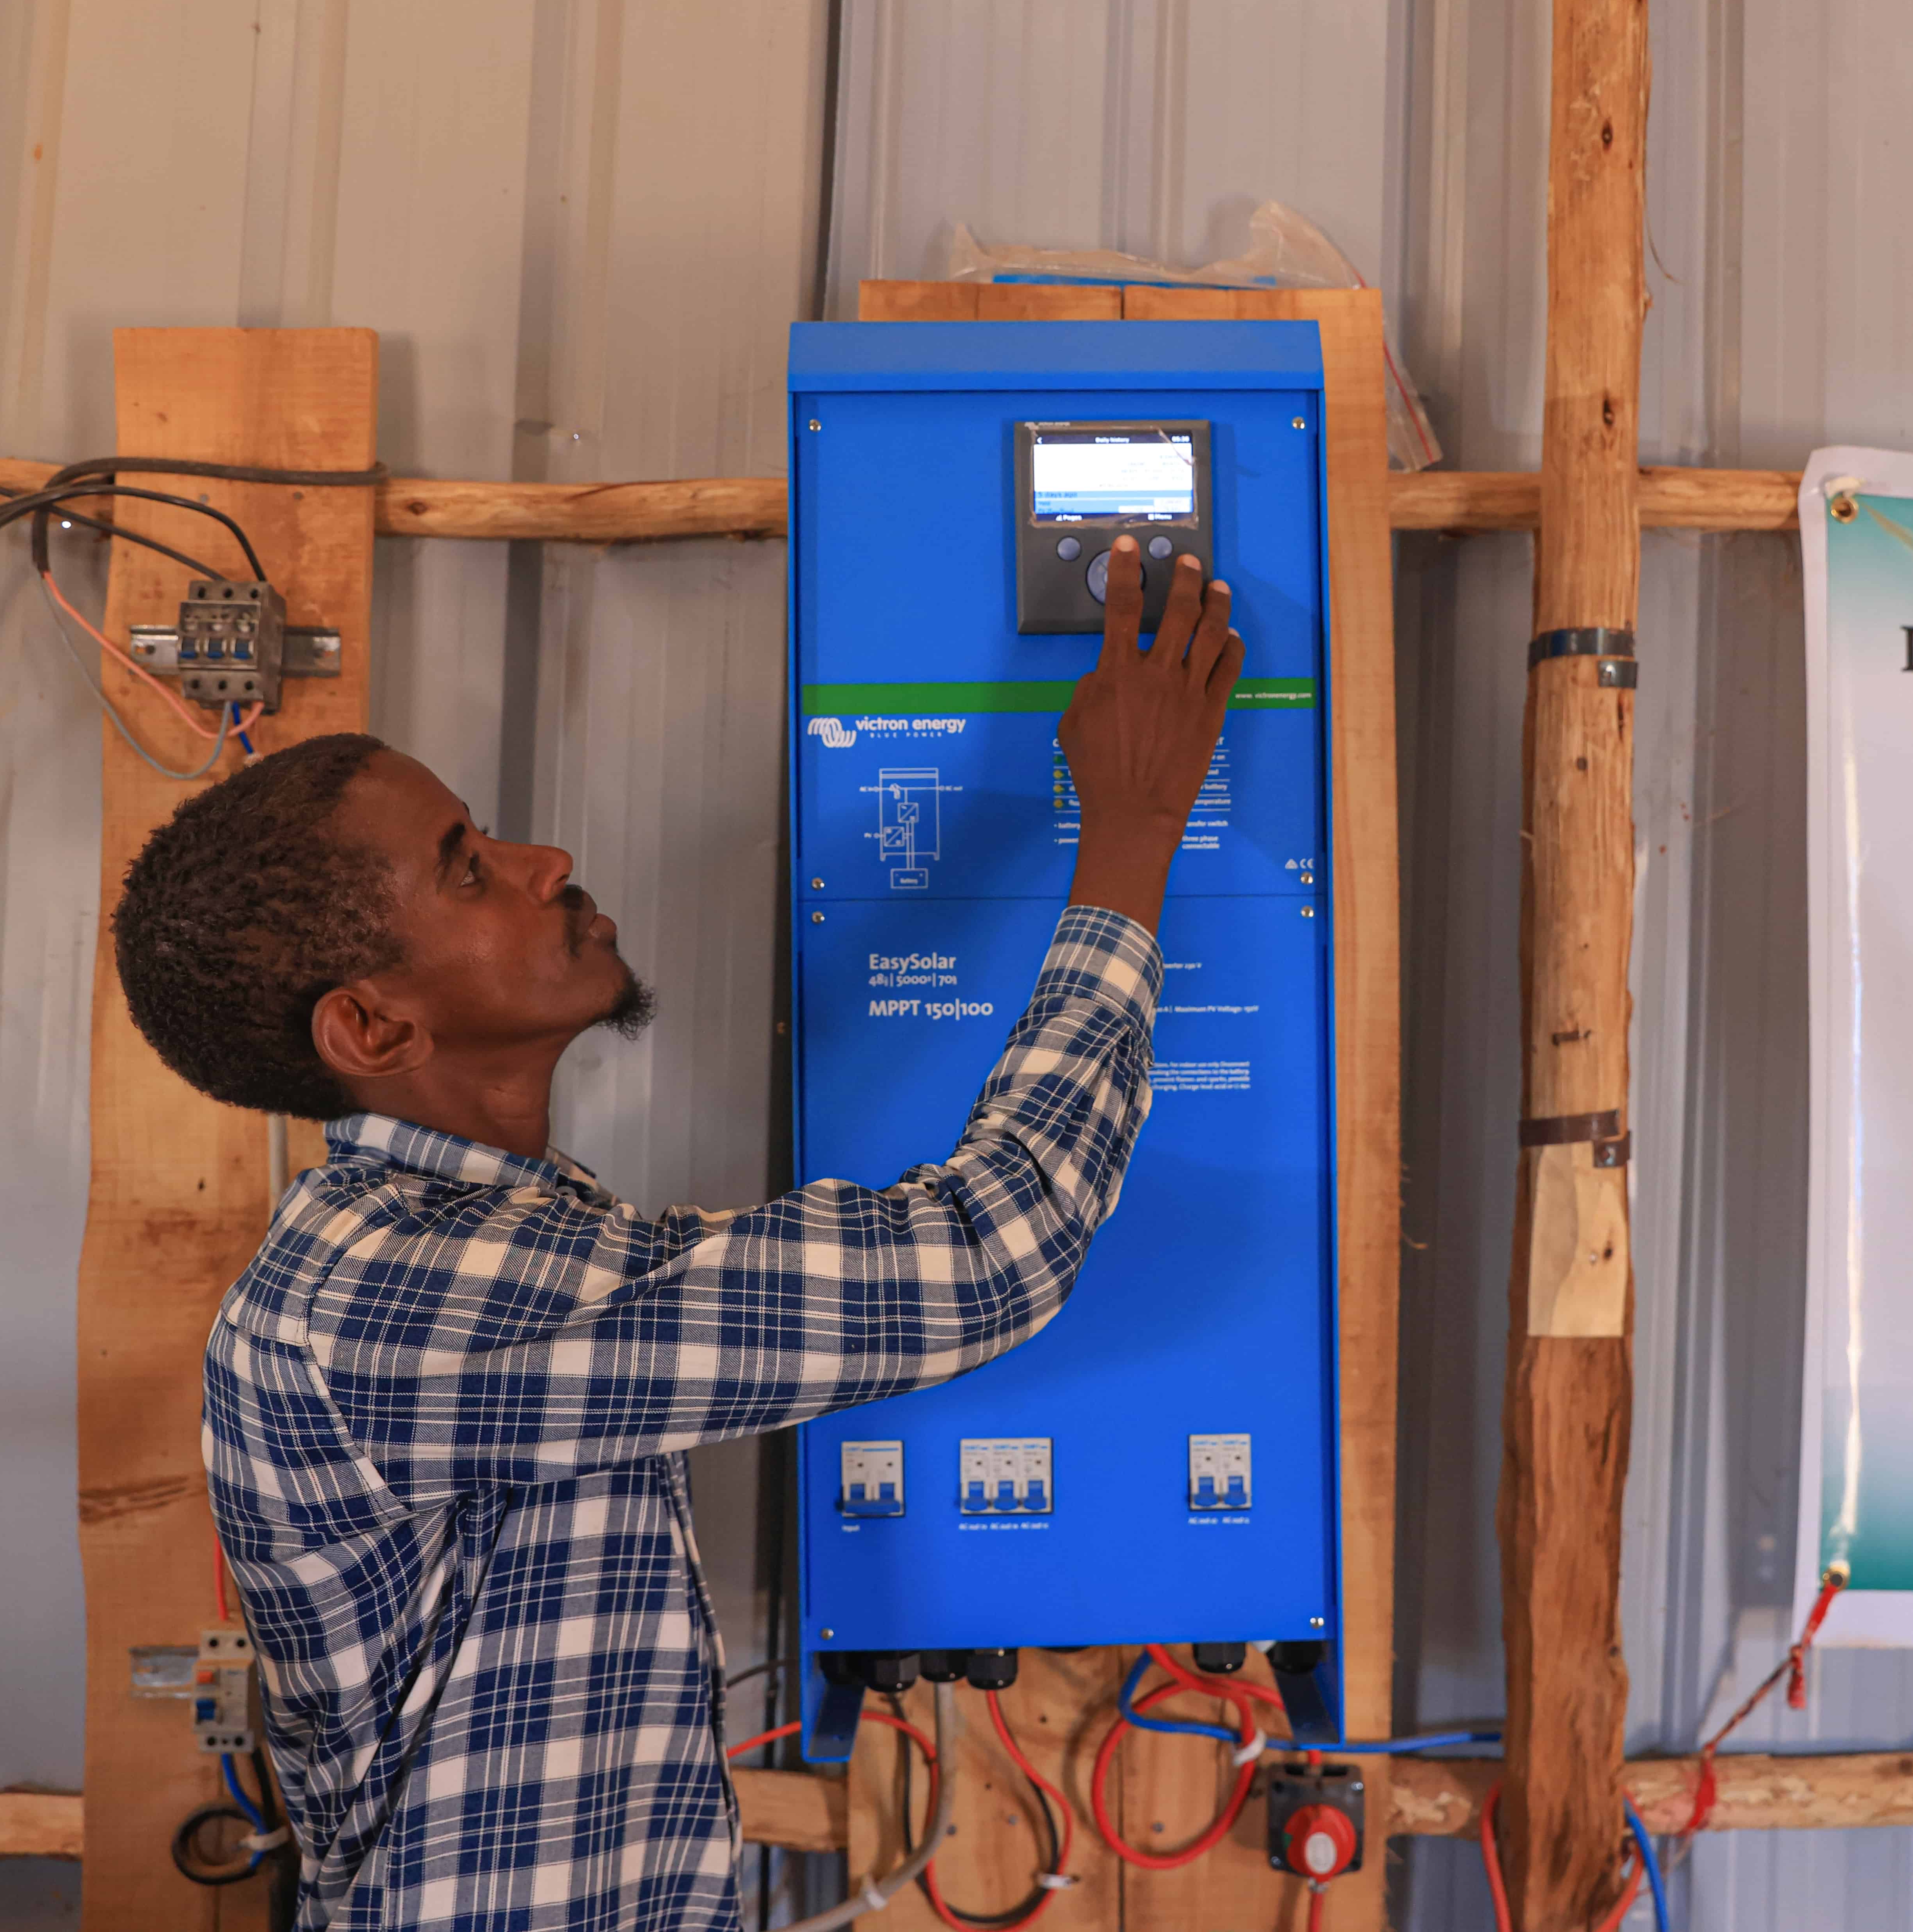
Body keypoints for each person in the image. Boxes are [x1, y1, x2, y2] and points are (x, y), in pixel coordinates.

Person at [108, 541, 1240, 1930]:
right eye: (470, 870)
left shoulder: (514, 1234)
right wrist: (1130, 832)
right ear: (375, 1027)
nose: (546, 863)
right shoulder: (395, 1299)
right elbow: (983, 1255)